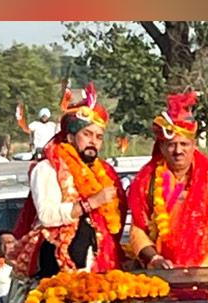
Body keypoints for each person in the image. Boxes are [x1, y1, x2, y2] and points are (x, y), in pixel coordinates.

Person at [9, 83, 127, 277]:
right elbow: (47, 216)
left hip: (104, 265)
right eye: (86, 134)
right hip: (59, 269)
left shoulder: (104, 173)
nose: (93, 142)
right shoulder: (48, 168)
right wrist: (91, 203)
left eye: (98, 137)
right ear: (71, 137)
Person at [127, 92, 208, 269]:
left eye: (184, 144)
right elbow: (137, 230)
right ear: (161, 147)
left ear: (194, 146)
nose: (178, 151)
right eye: (171, 145)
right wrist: (155, 259)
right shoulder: (147, 182)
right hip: (166, 275)